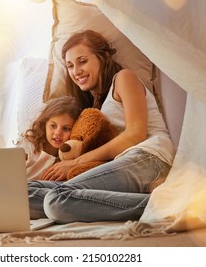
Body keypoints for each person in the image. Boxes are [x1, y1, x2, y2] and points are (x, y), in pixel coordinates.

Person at [28, 29, 176, 223]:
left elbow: (135, 134)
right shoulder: (93, 108)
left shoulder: (124, 78)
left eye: (82, 61)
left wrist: (74, 163)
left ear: (103, 57)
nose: (76, 71)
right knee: (24, 193)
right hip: (121, 165)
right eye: (70, 65)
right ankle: (149, 201)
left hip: (149, 158)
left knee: (57, 200)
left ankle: (170, 204)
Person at [15, 95, 82, 180]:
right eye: (53, 126)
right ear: (44, 124)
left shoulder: (70, 154)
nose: (58, 133)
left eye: (66, 128)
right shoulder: (30, 144)